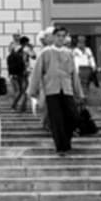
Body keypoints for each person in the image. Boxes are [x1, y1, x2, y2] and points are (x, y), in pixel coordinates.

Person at [28, 26, 83, 156]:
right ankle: (61, 147)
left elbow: (74, 73)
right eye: (58, 36)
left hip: (67, 89)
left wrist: (78, 92)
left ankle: (67, 141)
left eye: (63, 36)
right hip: (52, 89)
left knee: (72, 116)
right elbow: (37, 71)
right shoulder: (46, 52)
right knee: (56, 119)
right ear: (53, 37)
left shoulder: (69, 53)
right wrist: (33, 89)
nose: (60, 38)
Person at [7, 36, 30, 112]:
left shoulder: (12, 53)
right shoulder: (25, 50)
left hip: (14, 73)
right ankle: (18, 106)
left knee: (19, 90)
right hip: (21, 73)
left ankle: (18, 106)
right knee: (22, 90)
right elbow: (33, 56)